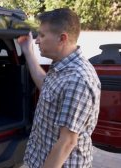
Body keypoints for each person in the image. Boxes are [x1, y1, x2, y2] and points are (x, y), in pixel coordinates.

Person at [17, 8, 101, 168]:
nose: (37, 41)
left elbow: (67, 142)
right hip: (39, 159)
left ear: (62, 38)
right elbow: (46, 85)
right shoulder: (61, 66)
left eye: (42, 35)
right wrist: (28, 51)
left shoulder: (78, 79)